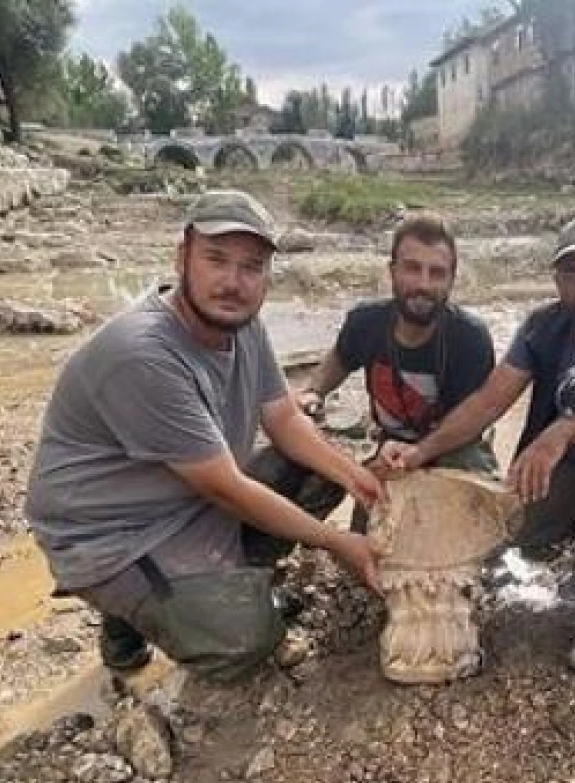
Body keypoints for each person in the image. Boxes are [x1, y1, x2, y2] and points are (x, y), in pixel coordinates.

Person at [24, 190, 383, 680]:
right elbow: (225, 488)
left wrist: (359, 478)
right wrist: (337, 543)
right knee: (248, 638)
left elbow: (283, 419)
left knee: (317, 469)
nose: (232, 283)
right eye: (216, 260)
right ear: (182, 258)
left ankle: (224, 583)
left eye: (251, 267)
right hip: (116, 534)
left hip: (187, 496)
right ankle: (129, 616)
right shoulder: (143, 354)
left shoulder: (243, 326)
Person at [383, 213, 575, 680]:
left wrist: (564, 430)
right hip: (572, 473)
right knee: (508, 540)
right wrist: (418, 453)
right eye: (572, 275)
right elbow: (488, 402)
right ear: (556, 280)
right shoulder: (542, 327)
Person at [296, 213, 497, 485]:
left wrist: (418, 452)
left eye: (436, 273)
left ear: (451, 280)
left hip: (451, 448)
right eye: (412, 268)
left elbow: (469, 423)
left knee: (471, 482)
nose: (423, 285)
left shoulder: (470, 338)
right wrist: (313, 393)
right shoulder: (365, 322)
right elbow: (339, 360)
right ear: (392, 271)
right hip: (389, 449)